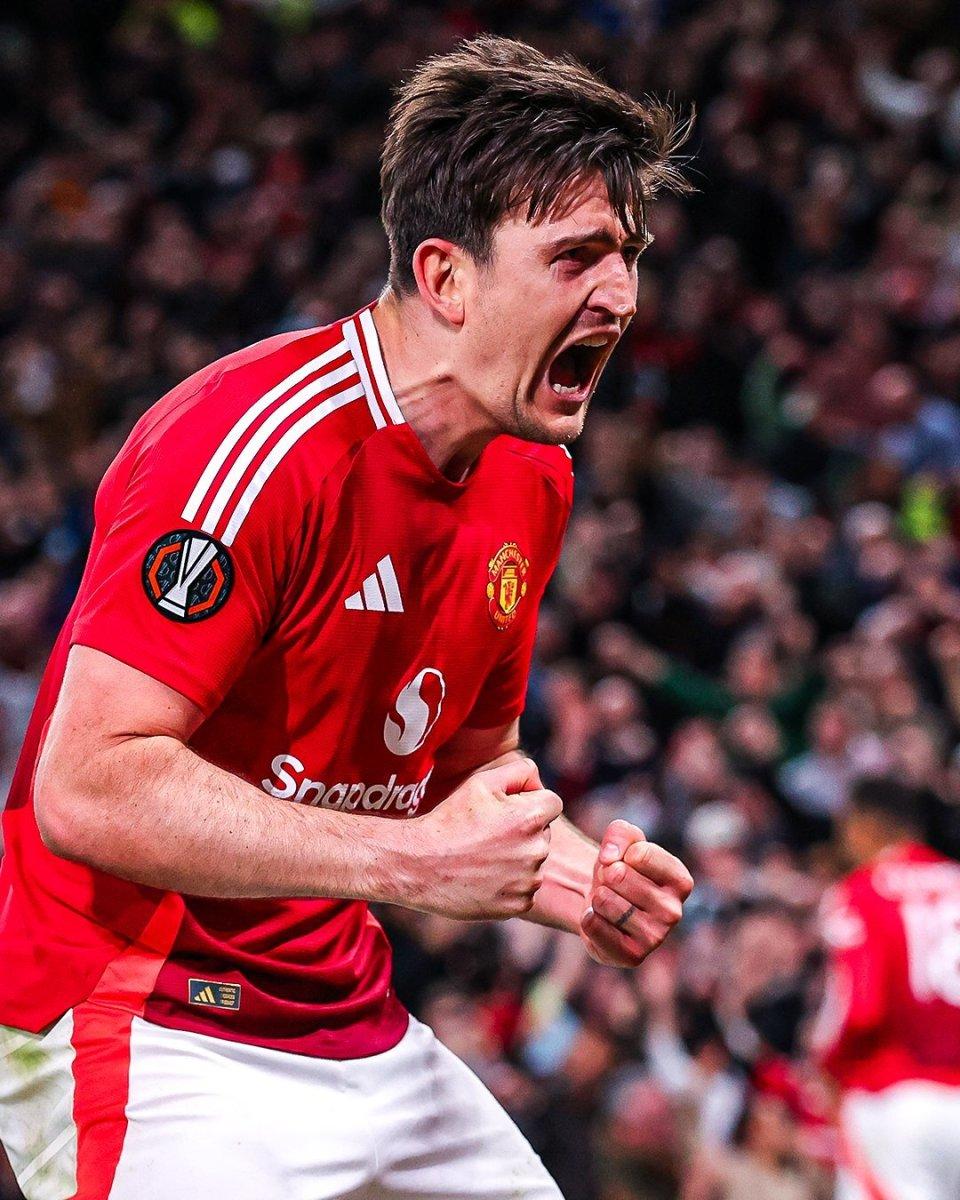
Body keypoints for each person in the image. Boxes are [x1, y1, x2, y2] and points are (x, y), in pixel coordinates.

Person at [0, 36, 694, 1200]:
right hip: (139, 1009)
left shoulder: (533, 475)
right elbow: (89, 785)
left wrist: (577, 882)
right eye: (577, 256)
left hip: (350, 1016)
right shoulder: (253, 446)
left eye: (628, 256)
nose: (621, 297)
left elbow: (466, 771)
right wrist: (414, 863)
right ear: (446, 278)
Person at [813, 776, 960, 1200]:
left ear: (864, 823)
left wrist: (826, 1064)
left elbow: (860, 1010)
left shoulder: (862, 890)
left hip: (895, 1099)